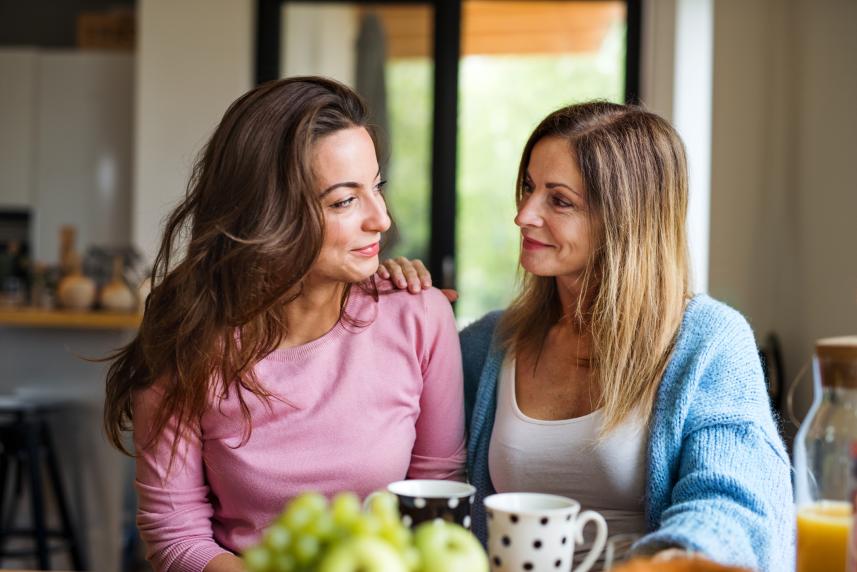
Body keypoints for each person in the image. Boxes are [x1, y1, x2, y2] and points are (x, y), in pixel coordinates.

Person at [379, 101, 793, 571]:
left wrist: (667, 560)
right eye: (529, 188)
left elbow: (731, 503)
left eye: (559, 200)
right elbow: (380, 428)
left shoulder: (709, 342)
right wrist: (382, 308)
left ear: (626, 219)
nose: (524, 215)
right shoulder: (491, 343)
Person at [103, 77, 466, 572]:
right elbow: (176, 533)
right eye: (344, 201)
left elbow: (436, 497)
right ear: (267, 212)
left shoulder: (419, 316)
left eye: (376, 187)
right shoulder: (184, 336)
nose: (382, 219)